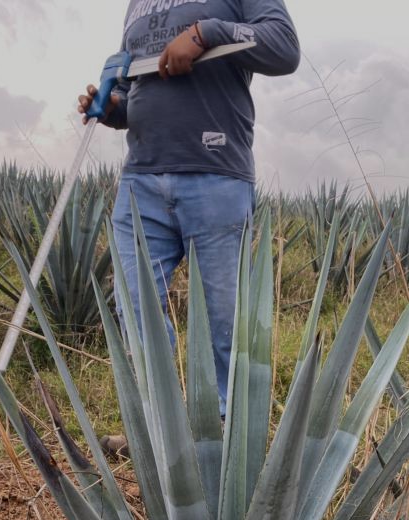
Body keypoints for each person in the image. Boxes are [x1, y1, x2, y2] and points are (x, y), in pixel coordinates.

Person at [78, 1, 300, 420]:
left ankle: (226, 437)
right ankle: (162, 431)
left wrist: (205, 34)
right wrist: (112, 108)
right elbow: (133, 88)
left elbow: (284, 47)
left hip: (215, 175)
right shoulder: (137, 6)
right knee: (135, 309)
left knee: (224, 322)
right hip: (141, 178)